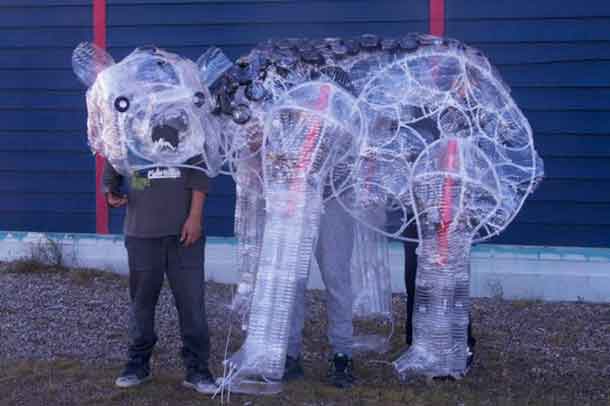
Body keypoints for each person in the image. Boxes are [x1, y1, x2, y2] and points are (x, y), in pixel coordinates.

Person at [104, 159, 217, 394]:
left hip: (185, 232)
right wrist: (111, 189)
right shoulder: (129, 126)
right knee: (141, 303)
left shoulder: (189, 124)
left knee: (192, 304)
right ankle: (137, 364)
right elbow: (114, 157)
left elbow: (199, 171)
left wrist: (195, 216)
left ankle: (197, 369)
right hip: (141, 232)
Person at [282, 198, 356, 388]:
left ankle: (342, 354)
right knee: (293, 280)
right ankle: (289, 353)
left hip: (337, 193)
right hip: (298, 193)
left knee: (336, 276)